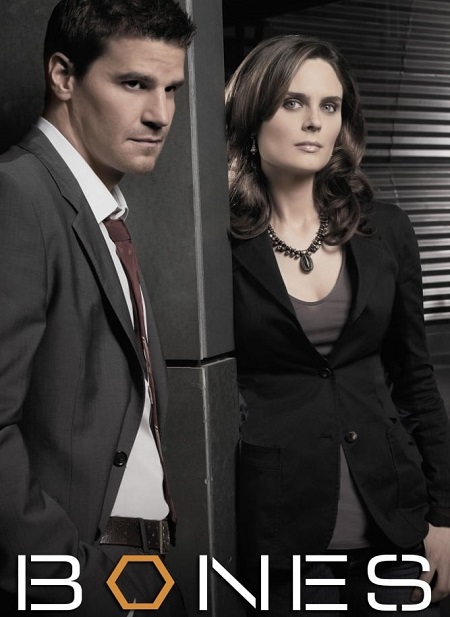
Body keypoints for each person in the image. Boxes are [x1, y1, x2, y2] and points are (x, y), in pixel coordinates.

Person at [226, 34, 450, 615]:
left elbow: (416, 380)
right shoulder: (216, 243)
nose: (314, 122)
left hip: (393, 520)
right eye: (292, 102)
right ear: (253, 114)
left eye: (329, 106)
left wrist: (445, 516)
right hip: (277, 530)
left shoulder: (387, 230)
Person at [0, 1, 195, 615]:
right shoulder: (18, 195)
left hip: (141, 569)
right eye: (134, 83)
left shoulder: (100, 209)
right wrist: (72, 582)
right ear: (63, 75)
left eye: (171, 88)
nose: (160, 114)